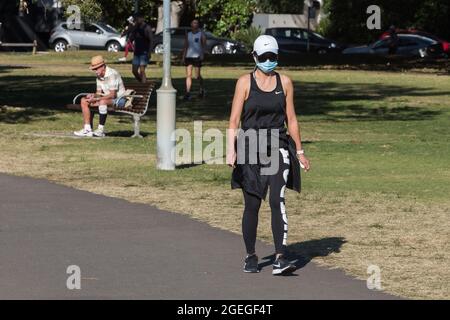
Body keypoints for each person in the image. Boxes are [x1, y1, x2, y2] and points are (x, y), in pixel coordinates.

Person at [227, 35, 311, 275]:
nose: (268, 61)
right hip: (249, 146)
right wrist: (231, 150)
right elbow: (234, 120)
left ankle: (279, 258)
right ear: (254, 57)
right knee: (252, 205)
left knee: (277, 199)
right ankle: (251, 255)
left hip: (278, 145)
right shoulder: (244, 82)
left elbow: (292, 119)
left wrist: (301, 151)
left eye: (272, 57)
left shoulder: (284, 83)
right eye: (263, 57)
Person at [74, 55, 126, 137]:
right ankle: (87, 129)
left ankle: (100, 130)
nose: (95, 71)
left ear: (103, 66)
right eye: (94, 69)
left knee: (102, 102)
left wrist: (97, 98)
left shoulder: (112, 74)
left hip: (120, 100)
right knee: (84, 100)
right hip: (106, 98)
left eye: (96, 68)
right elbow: (98, 92)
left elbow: (113, 95)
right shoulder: (99, 76)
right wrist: (93, 95)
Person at [182, 19, 206, 101]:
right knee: (188, 75)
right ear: (191, 24)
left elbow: (203, 46)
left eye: (196, 22)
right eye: (193, 22)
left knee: (197, 76)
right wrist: (183, 57)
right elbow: (185, 46)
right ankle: (188, 92)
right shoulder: (188, 34)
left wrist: (202, 54)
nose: (194, 24)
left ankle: (201, 89)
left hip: (197, 56)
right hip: (189, 56)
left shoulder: (201, 34)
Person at [129, 13, 153, 83]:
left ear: (142, 18)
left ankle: (144, 85)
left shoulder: (147, 27)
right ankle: (143, 83)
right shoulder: (135, 27)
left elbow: (151, 40)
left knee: (142, 70)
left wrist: (149, 52)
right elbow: (131, 39)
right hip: (137, 52)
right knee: (134, 71)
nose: (136, 20)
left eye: (137, 18)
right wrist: (131, 28)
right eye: (135, 19)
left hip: (144, 52)